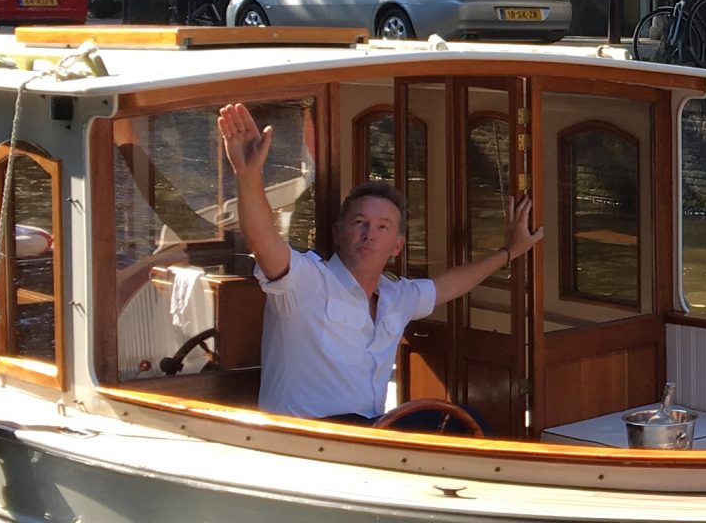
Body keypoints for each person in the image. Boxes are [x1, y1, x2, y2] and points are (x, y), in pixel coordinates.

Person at [217, 102, 539, 425]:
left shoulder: (397, 298)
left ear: (397, 247)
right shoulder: (307, 282)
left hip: (373, 432)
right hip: (309, 442)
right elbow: (263, 243)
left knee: (465, 421)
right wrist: (248, 175)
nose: (369, 234)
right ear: (338, 234)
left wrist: (509, 251)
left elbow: (448, 286)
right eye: (359, 222)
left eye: (382, 226)